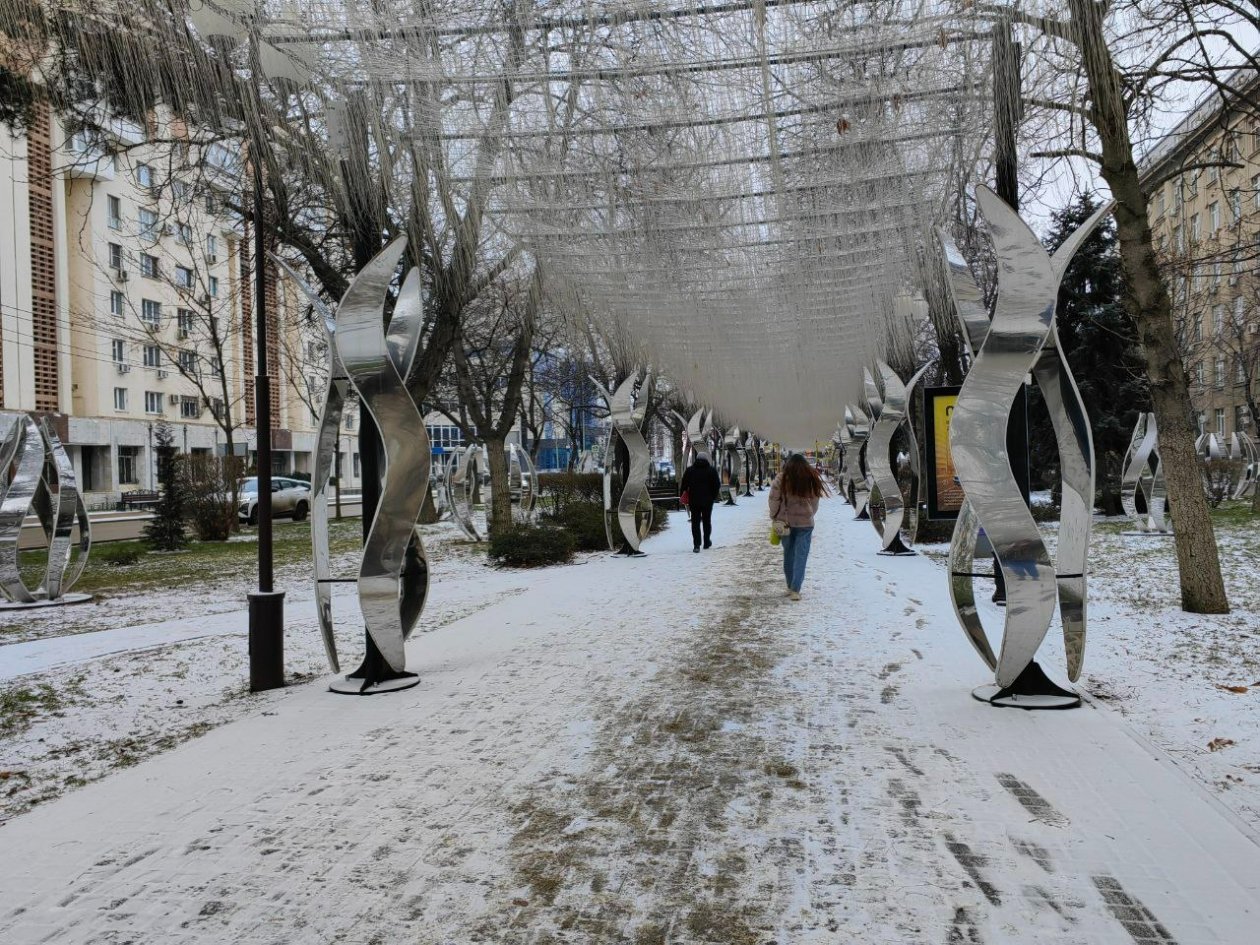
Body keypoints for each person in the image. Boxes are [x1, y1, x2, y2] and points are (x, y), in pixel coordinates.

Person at [768, 453, 829, 600]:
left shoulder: (781, 479)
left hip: (785, 522)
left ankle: (790, 586)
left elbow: (774, 499)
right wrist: (809, 514)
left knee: (788, 554)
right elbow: (814, 502)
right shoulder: (810, 478)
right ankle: (796, 589)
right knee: (801, 555)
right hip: (805, 524)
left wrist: (774, 515)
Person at [679, 454, 721, 552]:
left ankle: (696, 545)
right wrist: (713, 497)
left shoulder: (690, 470)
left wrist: (683, 495)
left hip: (694, 500)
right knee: (707, 521)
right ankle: (706, 542)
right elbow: (716, 485)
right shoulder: (711, 470)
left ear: (696, 459)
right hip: (707, 500)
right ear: (706, 460)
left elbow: (684, 485)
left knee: (695, 522)